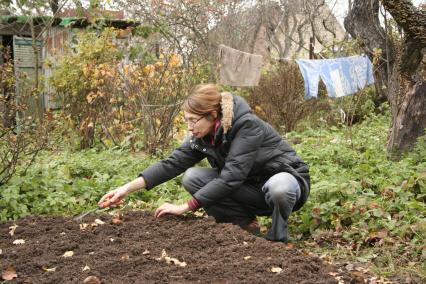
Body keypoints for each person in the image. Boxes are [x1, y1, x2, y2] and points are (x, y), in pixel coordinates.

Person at [98, 83, 310, 242]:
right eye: (186, 120)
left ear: (213, 115)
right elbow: (172, 163)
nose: (190, 127)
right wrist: (126, 188)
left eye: (193, 120)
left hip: (284, 183)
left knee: (279, 186)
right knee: (192, 177)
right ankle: (244, 225)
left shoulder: (247, 126)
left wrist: (185, 207)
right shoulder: (204, 134)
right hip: (248, 188)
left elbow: (231, 177)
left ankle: (277, 237)